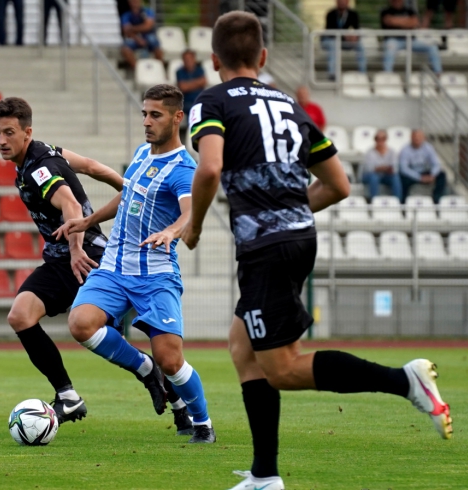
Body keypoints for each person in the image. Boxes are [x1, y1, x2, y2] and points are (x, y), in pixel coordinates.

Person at [181, 12, 451, 490]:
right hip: (297, 238)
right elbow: (339, 185)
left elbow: (208, 170)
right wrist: (287, 210)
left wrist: (195, 226)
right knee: (242, 346)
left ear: (214, 58)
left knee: (282, 369)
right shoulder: (287, 104)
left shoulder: (211, 100)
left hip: (266, 248)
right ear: (263, 57)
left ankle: (403, 380)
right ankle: (264, 474)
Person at [0, 97, 193, 429]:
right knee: (21, 316)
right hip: (64, 258)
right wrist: (129, 189)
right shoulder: (47, 150)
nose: (1, 141)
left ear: (27, 132)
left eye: (8, 133)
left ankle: (172, 397)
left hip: (84, 257)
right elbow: (90, 165)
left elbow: (70, 205)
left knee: (151, 344)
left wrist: (74, 250)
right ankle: (70, 397)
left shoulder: (39, 170)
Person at [55, 85, 215, 444]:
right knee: (81, 323)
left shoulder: (183, 169)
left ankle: (202, 423)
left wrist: (172, 232)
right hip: (114, 267)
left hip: (155, 275)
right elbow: (127, 196)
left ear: (177, 118)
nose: (146, 121)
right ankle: (145, 369)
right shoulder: (143, 152)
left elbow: (189, 213)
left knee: (171, 360)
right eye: (144, 113)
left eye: (155, 115)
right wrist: (87, 219)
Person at [381, 0, 442, 75]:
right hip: (394, 40)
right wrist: (407, 22)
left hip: (411, 40)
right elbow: (389, 21)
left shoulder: (409, 10)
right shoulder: (385, 11)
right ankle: (387, 74)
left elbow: (415, 22)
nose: (397, 2)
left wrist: (397, 21)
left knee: (432, 47)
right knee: (390, 48)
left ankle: (438, 73)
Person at [399, 129, 448, 203]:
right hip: (412, 174)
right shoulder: (405, 150)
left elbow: (436, 163)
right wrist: (419, 178)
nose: (417, 139)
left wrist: (432, 175)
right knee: (402, 178)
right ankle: (403, 204)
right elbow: (404, 168)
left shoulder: (428, 147)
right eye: (415, 136)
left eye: (419, 136)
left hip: (425, 172)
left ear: (423, 138)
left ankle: (436, 200)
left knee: (442, 175)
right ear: (411, 137)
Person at [322, 0, 366, 79]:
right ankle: (332, 74)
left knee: (360, 46)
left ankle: (362, 73)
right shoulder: (331, 14)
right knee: (333, 45)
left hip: (344, 41)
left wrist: (354, 37)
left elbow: (357, 29)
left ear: (348, 2)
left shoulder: (353, 14)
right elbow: (330, 31)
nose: (342, 2)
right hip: (330, 40)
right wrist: (344, 36)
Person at [120, 0, 164, 70]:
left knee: (155, 44)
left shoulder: (148, 11)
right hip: (134, 38)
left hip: (148, 37)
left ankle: (160, 69)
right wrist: (138, 39)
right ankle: (138, 69)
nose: (135, 2)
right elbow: (126, 30)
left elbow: (148, 26)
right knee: (125, 48)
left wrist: (132, 28)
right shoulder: (126, 15)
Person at [362, 130, 403, 201]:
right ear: (375, 139)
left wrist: (380, 168)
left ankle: (398, 202)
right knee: (374, 177)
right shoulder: (370, 152)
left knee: (396, 178)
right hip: (371, 176)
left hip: (386, 176)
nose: (380, 141)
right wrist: (385, 168)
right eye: (378, 138)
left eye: (383, 138)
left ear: (386, 139)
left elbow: (395, 169)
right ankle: (373, 202)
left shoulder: (392, 152)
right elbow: (369, 169)